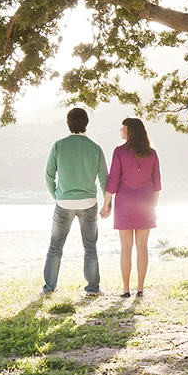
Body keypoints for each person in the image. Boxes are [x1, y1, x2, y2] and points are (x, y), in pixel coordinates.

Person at [42, 107, 109, 296]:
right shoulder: (95, 147)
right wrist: (107, 203)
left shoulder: (58, 145)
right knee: (90, 246)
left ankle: (49, 287)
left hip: (64, 203)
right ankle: (93, 289)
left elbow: (48, 176)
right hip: (88, 203)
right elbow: (104, 178)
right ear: (86, 123)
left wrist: (57, 196)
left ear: (68, 123)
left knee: (56, 246)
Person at [102, 116, 162, 298]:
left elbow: (113, 180)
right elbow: (157, 184)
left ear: (129, 131)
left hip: (125, 204)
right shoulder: (152, 153)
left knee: (125, 247)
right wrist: (154, 208)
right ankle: (140, 289)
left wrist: (106, 205)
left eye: (122, 128)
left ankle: (126, 289)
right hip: (146, 204)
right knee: (142, 247)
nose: (120, 131)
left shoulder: (119, 152)